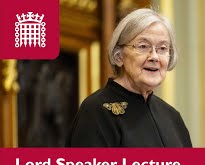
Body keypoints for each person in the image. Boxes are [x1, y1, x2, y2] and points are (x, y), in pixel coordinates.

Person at [65, 8, 192, 147]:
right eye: (143, 46)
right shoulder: (96, 111)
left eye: (162, 48)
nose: (154, 57)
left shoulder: (172, 117)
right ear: (119, 56)